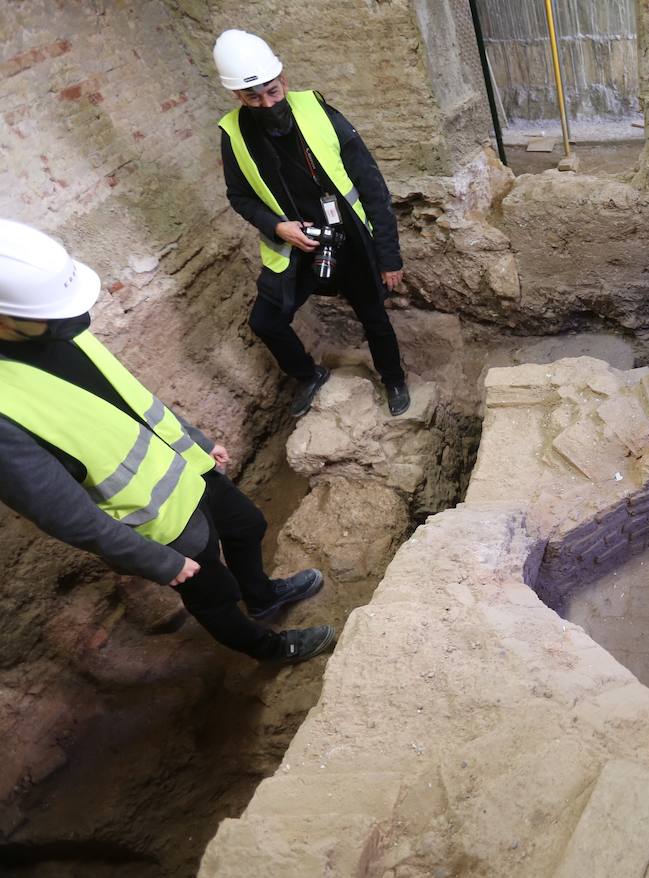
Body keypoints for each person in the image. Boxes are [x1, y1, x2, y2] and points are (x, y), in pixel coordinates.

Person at [0, 219, 335, 664]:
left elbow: (129, 396)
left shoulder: (58, 327)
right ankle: (269, 649)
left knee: (248, 526)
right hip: (157, 520)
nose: (76, 316)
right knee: (213, 595)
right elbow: (65, 515)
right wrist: (157, 561)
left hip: (185, 466)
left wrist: (195, 439)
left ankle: (263, 596)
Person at [213, 28, 410, 418]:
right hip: (295, 248)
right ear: (237, 96)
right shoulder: (233, 134)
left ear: (283, 80)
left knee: (374, 317)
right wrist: (277, 227)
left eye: (272, 91)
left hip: (349, 241)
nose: (266, 103)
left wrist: (389, 258)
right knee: (266, 321)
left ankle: (393, 378)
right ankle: (308, 375)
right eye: (253, 97)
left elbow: (373, 189)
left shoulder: (321, 115)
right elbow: (239, 197)